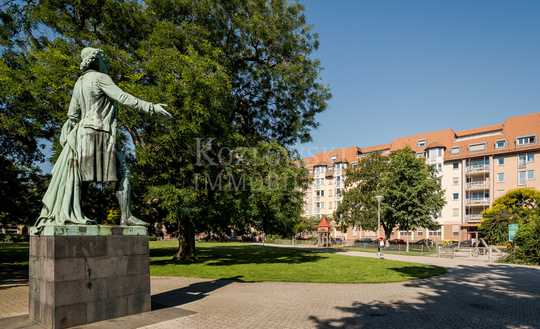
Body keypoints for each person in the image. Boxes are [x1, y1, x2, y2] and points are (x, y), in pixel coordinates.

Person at [35, 47, 172, 230]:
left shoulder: (79, 82)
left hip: (80, 134)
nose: (106, 63)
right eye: (104, 59)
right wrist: (152, 107)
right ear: (97, 60)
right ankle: (126, 216)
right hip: (99, 132)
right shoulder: (101, 78)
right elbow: (123, 97)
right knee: (122, 170)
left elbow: (72, 115)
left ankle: (72, 213)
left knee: (79, 177)